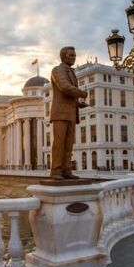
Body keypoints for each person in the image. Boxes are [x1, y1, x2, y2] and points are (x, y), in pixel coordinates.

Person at [50, 46, 88, 179]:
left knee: (68, 144)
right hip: (60, 113)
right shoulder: (57, 70)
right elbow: (64, 87)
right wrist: (82, 93)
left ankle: (66, 170)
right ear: (63, 56)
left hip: (71, 113)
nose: (74, 57)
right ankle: (56, 171)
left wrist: (78, 103)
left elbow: (68, 95)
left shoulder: (72, 73)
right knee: (59, 143)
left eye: (74, 55)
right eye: (71, 55)